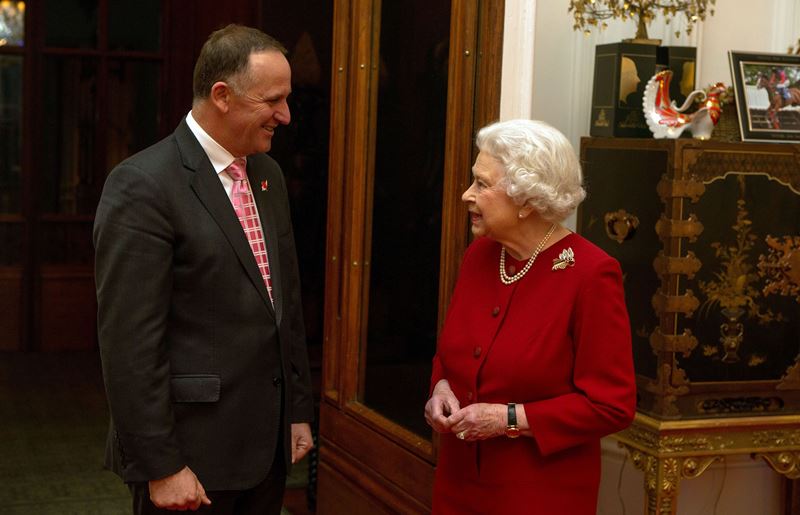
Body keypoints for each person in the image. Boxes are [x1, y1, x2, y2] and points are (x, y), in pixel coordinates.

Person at [94, 24, 314, 514]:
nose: (286, 115)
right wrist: (162, 465)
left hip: (265, 448)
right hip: (191, 456)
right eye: (273, 100)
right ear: (222, 96)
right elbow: (129, 345)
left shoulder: (267, 175)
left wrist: (296, 411)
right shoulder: (143, 185)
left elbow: (285, 301)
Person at [424, 119, 636, 514]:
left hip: (538, 495)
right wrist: (440, 389)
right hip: (457, 486)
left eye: (482, 184)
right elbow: (452, 353)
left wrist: (508, 419)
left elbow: (612, 405)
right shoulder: (480, 255)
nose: (467, 194)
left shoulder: (591, 274)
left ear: (526, 200)